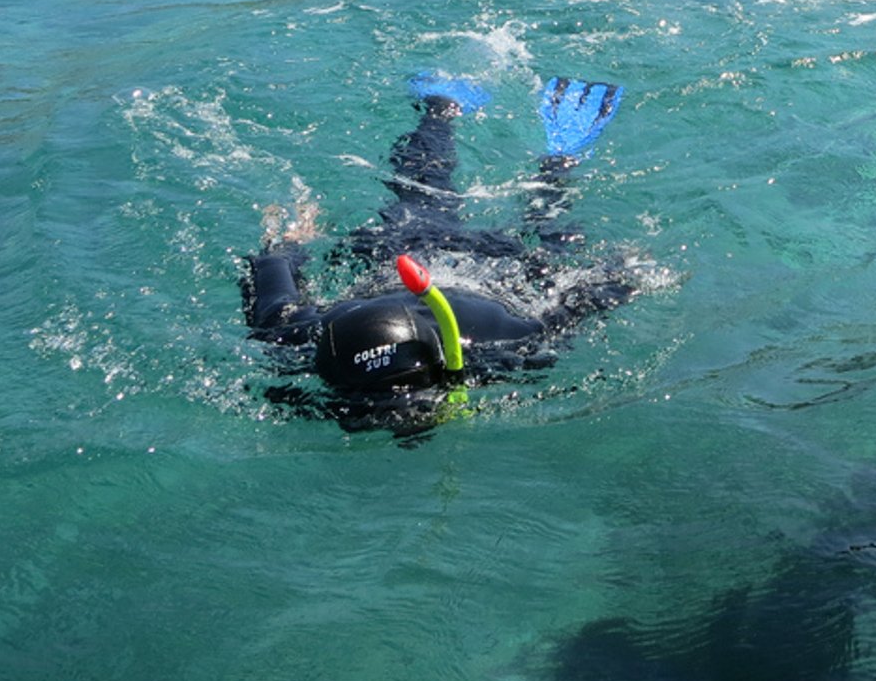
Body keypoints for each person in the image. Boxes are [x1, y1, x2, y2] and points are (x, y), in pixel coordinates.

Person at [241, 73, 630, 433]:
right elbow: (583, 297)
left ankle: (545, 158)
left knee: (544, 237)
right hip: (415, 263)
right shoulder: (300, 337)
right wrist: (621, 273)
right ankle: (453, 113)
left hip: (477, 264)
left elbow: (271, 270)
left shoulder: (506, 344)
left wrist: (290, 241)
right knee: (426, 195)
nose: (396, 416)